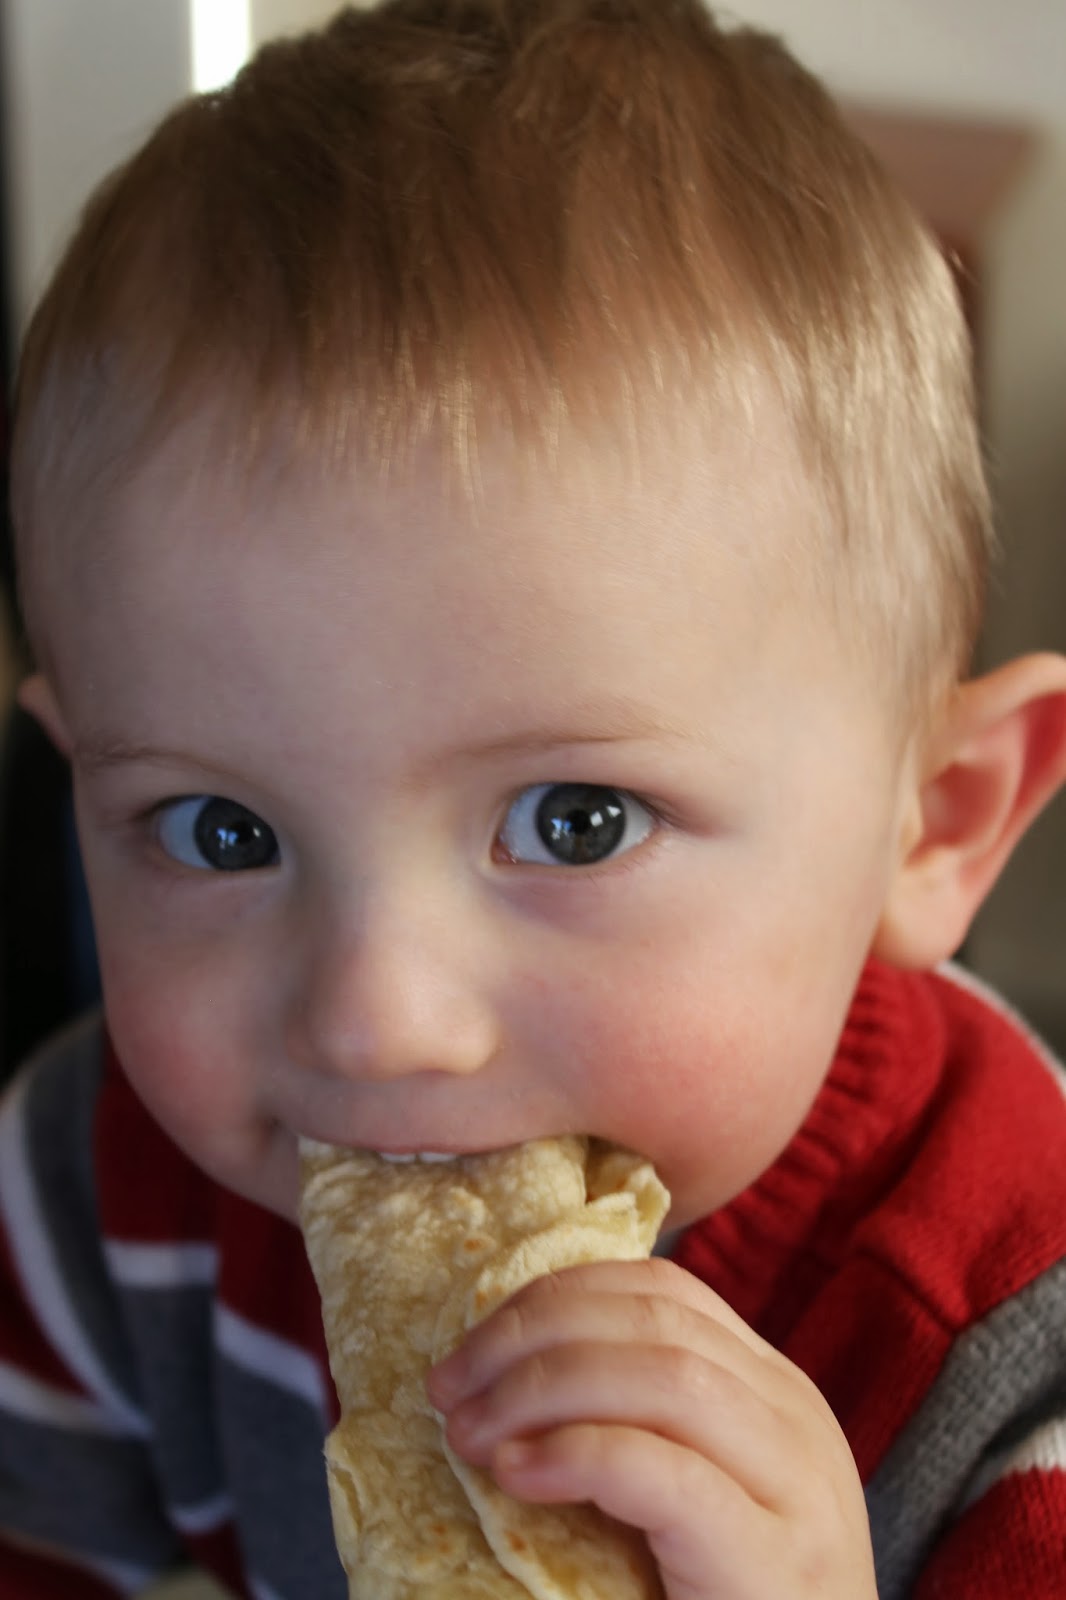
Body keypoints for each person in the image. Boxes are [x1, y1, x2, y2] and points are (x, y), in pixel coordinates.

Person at [2, 1, 1066, 1596]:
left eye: (576, 820)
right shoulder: (85, 1196)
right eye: (225, 833)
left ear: (936, 822)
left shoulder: (1010, 1326)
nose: (375, 1022)